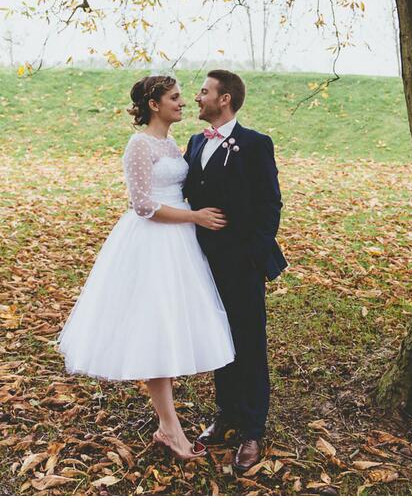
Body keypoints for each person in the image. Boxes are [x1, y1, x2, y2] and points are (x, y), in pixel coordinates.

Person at [58, 75, 235, 461]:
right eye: (174, 98)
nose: (182, 103)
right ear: (154, 105)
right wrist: (196, 218)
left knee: (168, 328)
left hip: (179, 246)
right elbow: (142, 205)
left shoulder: (172, 144)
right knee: (155, 328)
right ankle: (170, 427)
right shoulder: (139, 144)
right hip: (152, 243)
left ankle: (166, 424)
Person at [184, 70, 286, 472]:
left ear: (224, 99)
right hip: (202, 263)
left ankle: (252, 429)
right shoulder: (194, 142)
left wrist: (253, 256)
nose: (197, 97)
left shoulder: (255, 144)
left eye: (204, 91)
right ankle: (226, 414)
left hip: (242, 263)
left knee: (248, 341)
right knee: (217, 338)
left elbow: (270, 204)